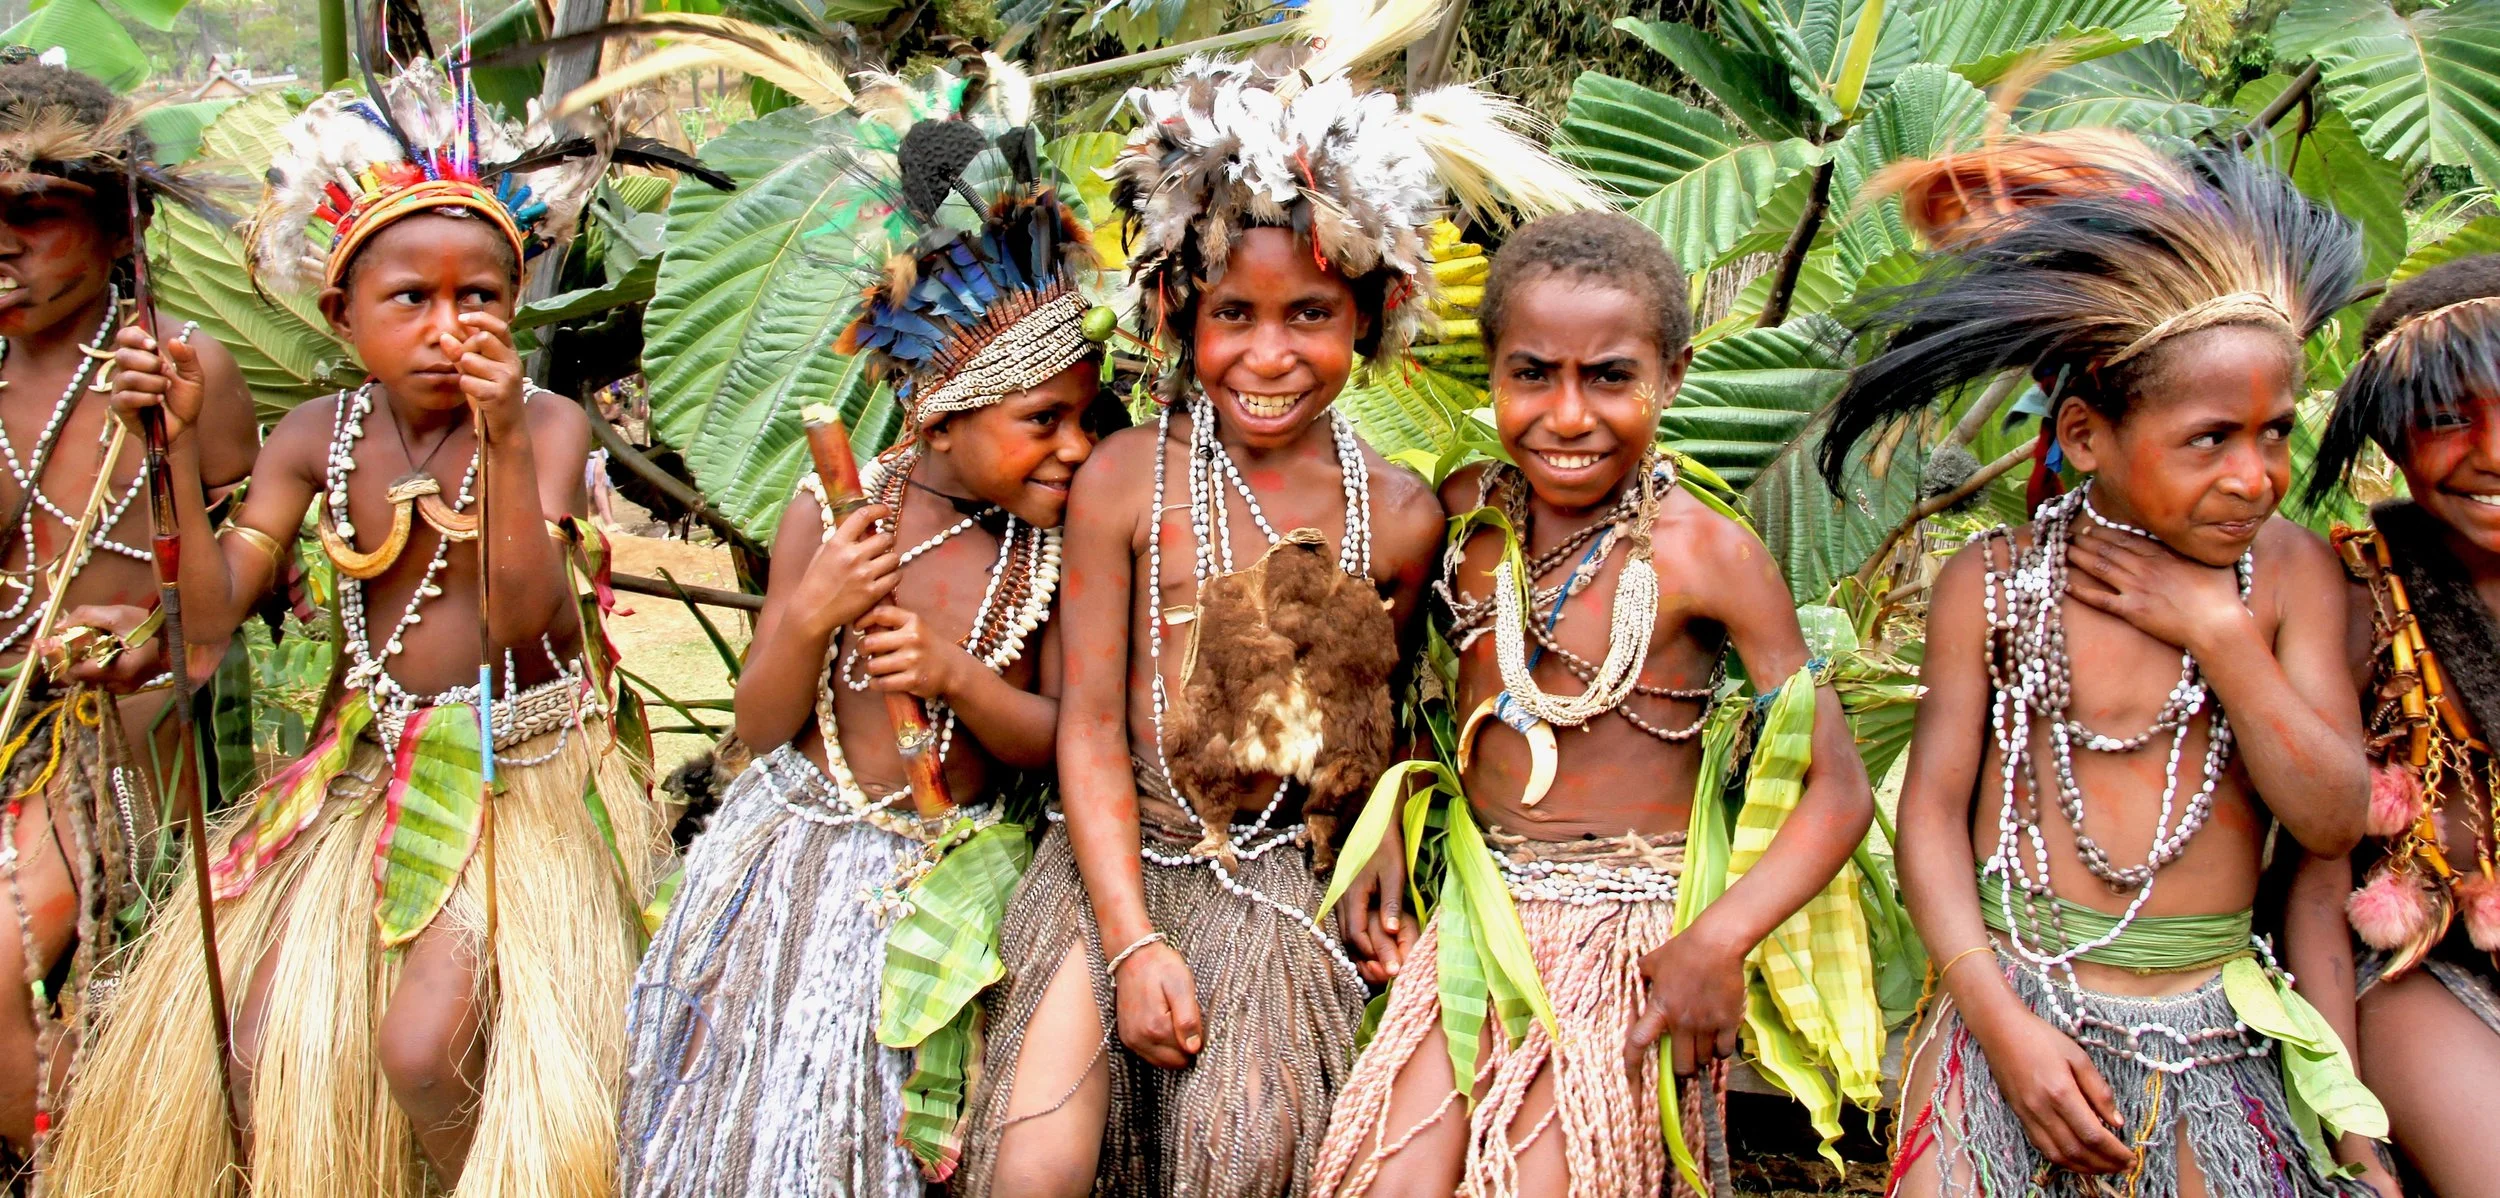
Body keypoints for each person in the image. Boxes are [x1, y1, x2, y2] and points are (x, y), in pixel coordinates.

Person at [949, 7, 1599, 1194]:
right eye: (1231, 316)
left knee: (1248, 1152)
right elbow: (1088, 725)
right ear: (1176, 314)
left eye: (1310, 314)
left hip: (1272, 875)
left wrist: (1379, 836)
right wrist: (1130, 941)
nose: (1268, 355)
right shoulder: (1125, 479)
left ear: (1372, 316)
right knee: (1036, 1159)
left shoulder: (1397, 515)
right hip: (1116, 859)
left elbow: (1375, 711)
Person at [47, 61, 661, 1197]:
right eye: (410, 299)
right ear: (342, 314)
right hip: (365, 765)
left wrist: (502, 443)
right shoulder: (313, 436)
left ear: (515, 302)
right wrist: (169, 451)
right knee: (254, 1044)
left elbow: (524, 623)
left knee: (425, 1054)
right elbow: (207, 624)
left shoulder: (547, 425)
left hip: (519, 764)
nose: (448, 327)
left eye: (480, 297)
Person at [1834, 133, 2388, 1198]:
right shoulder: (1995, 583)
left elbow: (2331, 817)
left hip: (2210, 1035)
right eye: (2210, 438)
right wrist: (2000, 1025)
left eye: (2276, 434)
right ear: (2086, 437)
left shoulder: (2285, 578)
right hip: (2010, 1007)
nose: (2255, 476)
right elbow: (1931, 819)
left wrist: (2219, 635)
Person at [1308, 208, 1882, 1198]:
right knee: (1377, 1179)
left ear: (1674, 374)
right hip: (1477, 916)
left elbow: (1838, 792)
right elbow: (1394, 678)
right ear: (1492, 372)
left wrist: (1716, 941)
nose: (1568, 415)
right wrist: (1383, 826)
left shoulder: (1708, 554)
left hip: (1629, 938)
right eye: (1532, 374)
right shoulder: (1468, 517)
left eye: (1610, 377)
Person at [616, 54, 1109, 1198]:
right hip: (793, 864)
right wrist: (812, 614)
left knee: (900, 1141)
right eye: (1044, 421)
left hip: (945, 881)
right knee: (755, 1134)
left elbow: (1060, 736)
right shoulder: (831, 513)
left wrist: (956, 675)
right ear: (937, 418)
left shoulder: (1055, 546)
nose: (1078, 447)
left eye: (1084, 418)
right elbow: (760, 723)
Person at [0, 52, 257, 1180]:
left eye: (32, 216)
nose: (3, 247)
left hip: (126, 741)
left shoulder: (186, 368)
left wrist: (148, 638)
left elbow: (240, 600)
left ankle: (108, 1170)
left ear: (119, 228)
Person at [2305, 252, 2500, 1196]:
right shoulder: (2356, 604)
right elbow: (2311, 888)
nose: (2493, 452)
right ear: (2388, 432)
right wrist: (2354, 1138)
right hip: (2423, 973)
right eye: (2449, 416)